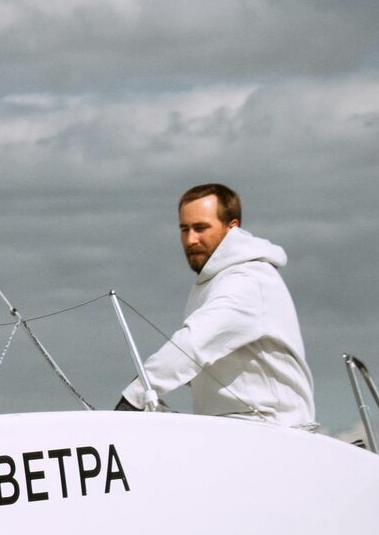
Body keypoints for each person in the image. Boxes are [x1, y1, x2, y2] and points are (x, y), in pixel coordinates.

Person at [117, 183, 316, 428]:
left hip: (273, 430)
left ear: (232, 227)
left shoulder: (248, 280)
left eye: (200, 228)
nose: (191, 240)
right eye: (184, 229)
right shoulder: (215, 281)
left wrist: (135, 396)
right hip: (232, 429)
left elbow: (193, 345)